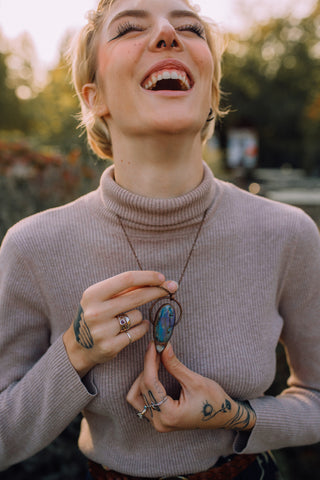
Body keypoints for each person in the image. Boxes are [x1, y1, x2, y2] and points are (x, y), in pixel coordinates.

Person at [0, 0, 320, 478]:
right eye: (130, 28)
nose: (168, 33)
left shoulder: (288, 233)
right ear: (93, 98)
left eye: (189, 27)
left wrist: (237, 416)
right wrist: (76, 351)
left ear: (210, 91)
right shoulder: (33, 246)